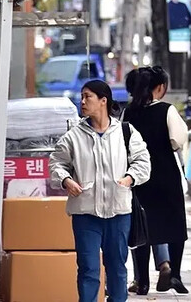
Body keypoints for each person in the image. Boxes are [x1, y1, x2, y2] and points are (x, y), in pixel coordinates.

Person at [50, 79, 151, 302]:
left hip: (119, 213)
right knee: (88, 269)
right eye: (82, 97)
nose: (82, 101)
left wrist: (130, 177)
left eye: (88, 96)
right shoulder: (74, 136)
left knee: (117, 268)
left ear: (103, 101)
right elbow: (56, 163)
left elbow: (143, 161)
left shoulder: (125, 132)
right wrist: (66, 180)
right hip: (85, 214)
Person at [123, 66, 189, 295]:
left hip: (139, 177)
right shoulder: (167, 110)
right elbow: (177, 140)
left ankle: (142, 281)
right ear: (159, 88)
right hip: (165, 175)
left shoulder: (128, 113)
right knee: (174, 226)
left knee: (141, 228)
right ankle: (176, 275)